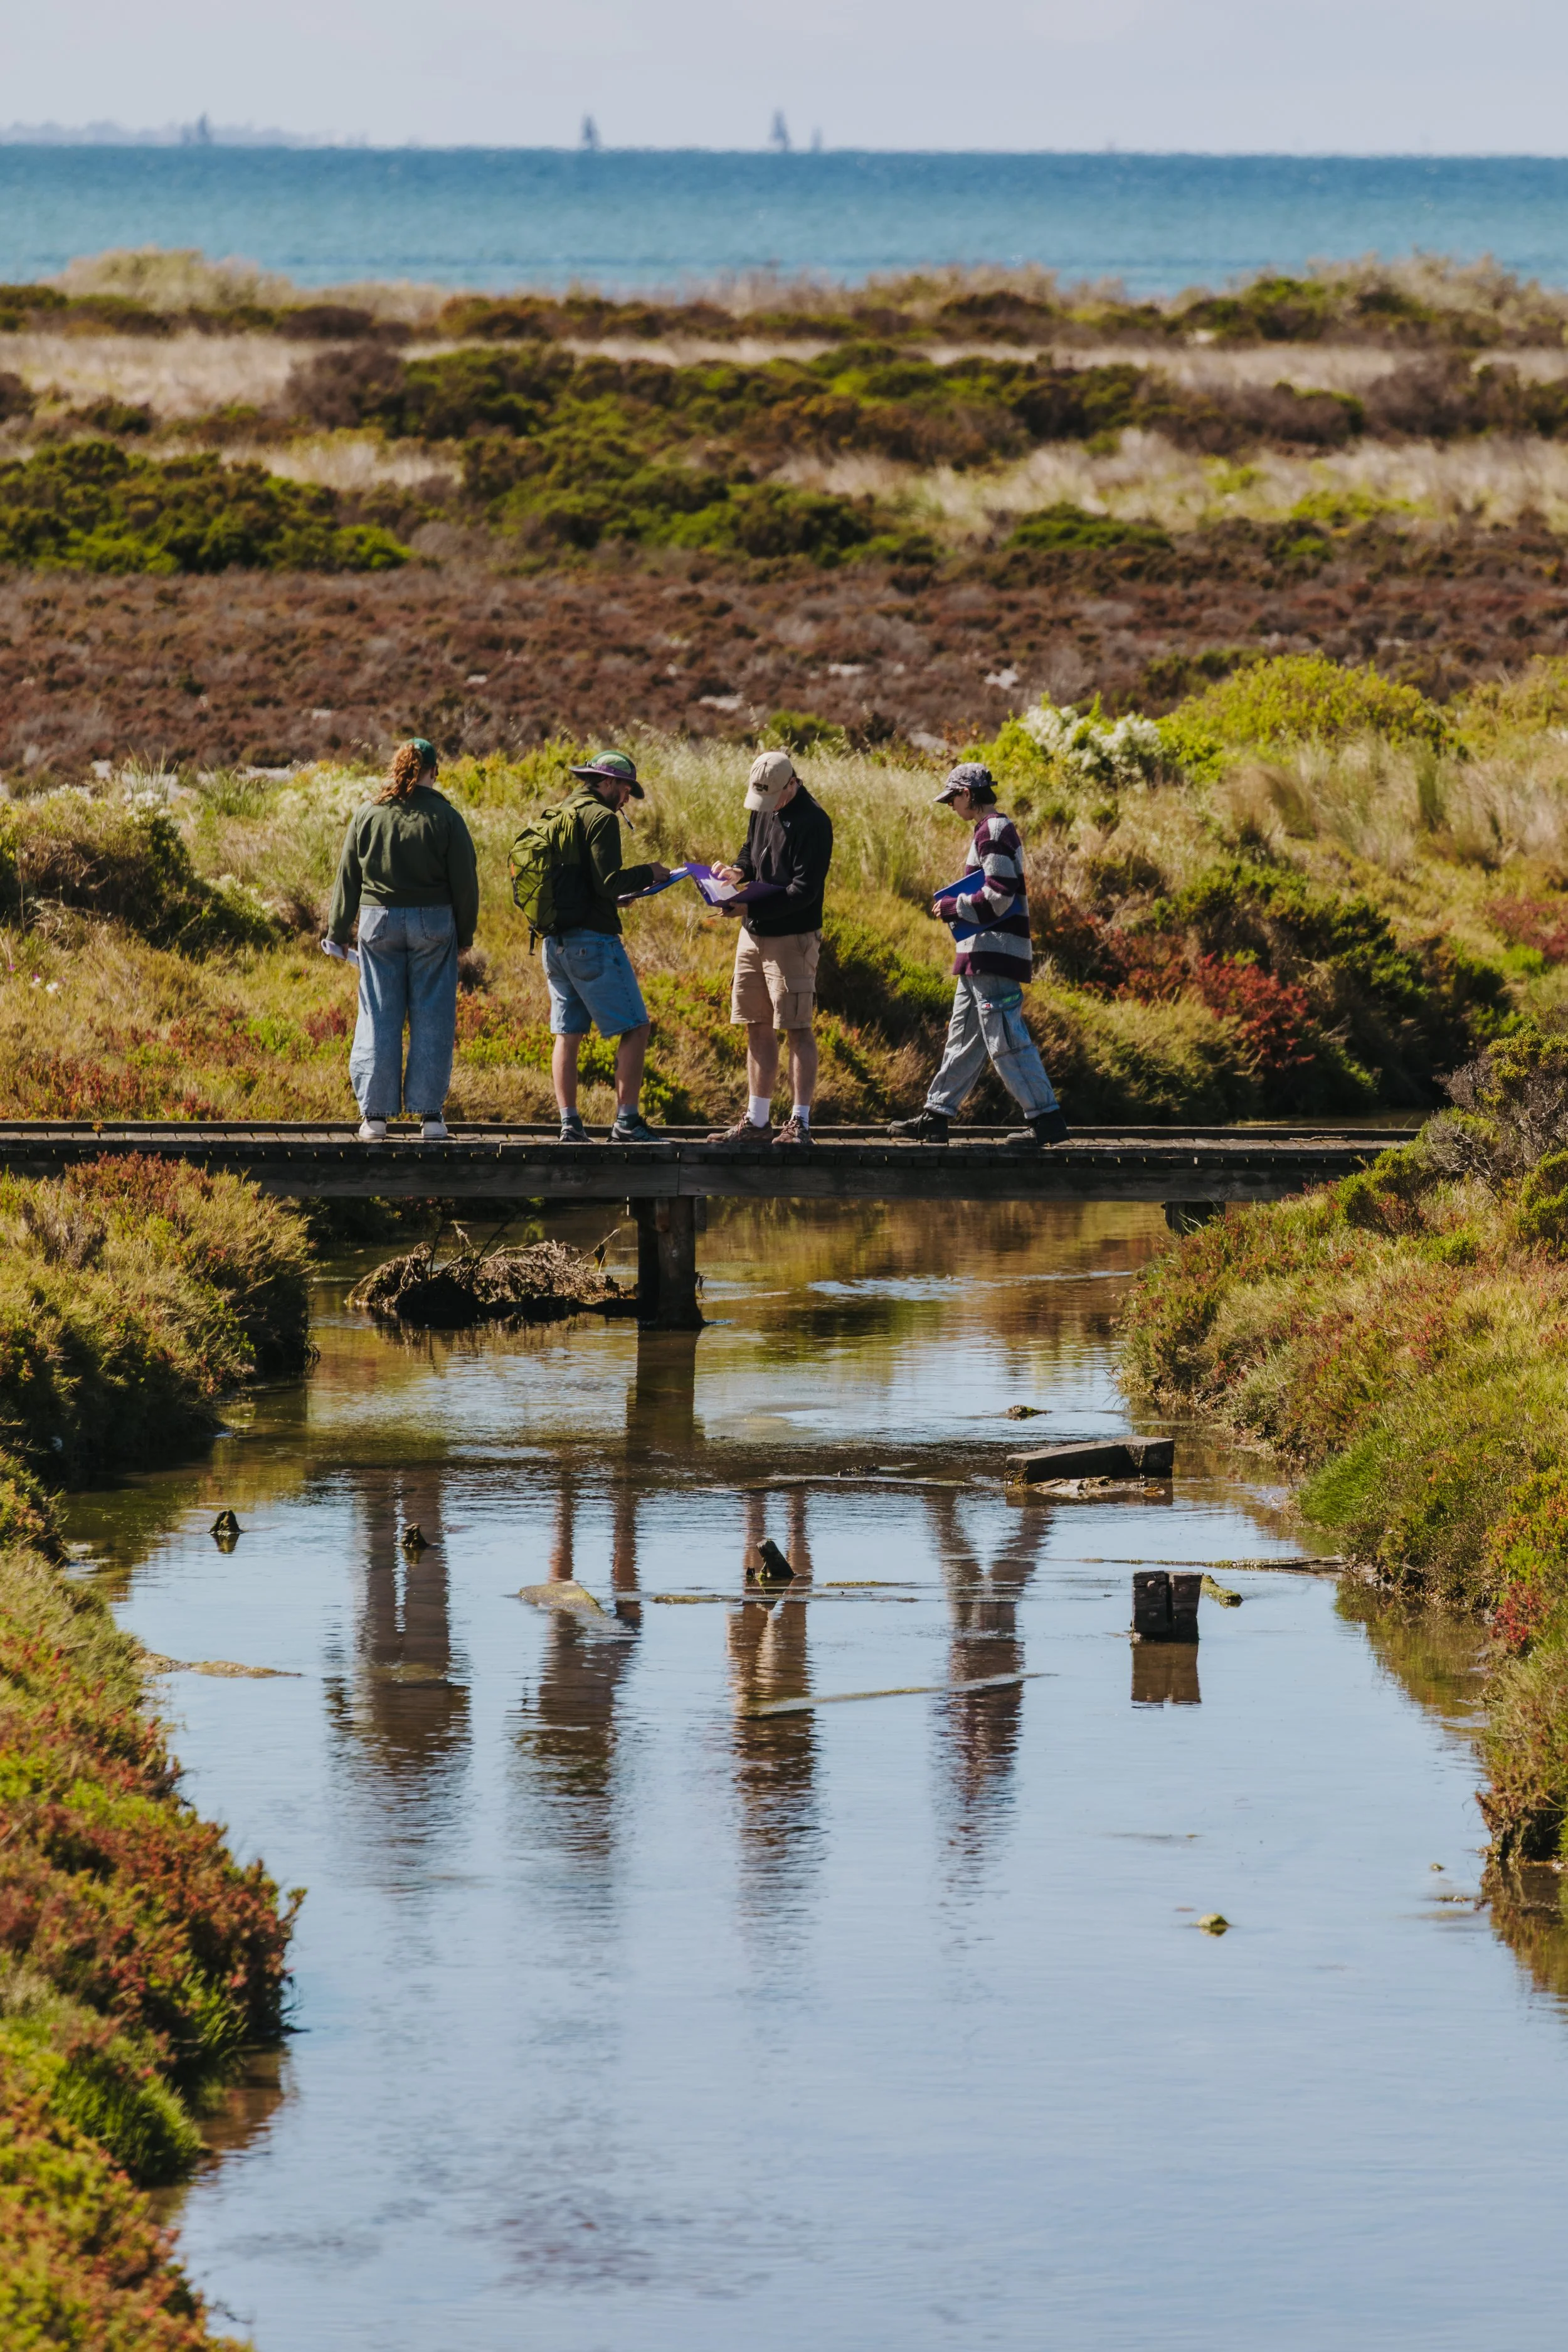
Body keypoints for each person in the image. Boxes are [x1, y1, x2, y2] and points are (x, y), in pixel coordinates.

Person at [889, 761, 1068, 1148]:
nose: (950, 806)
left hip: (993, 954)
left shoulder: (994, 831)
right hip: (980, 956)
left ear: (968, 794)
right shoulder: (989, 830)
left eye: (953, 798)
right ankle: (936, 1117)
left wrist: (955, 907)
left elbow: (999, 896)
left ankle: (1047, 1120)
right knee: (964, 1037)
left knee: (1005, 1037)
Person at [328, 736, 479, 1144]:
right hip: (434, 924)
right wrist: (464, 934)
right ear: (434, 771)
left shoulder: (369, 814)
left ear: (395, 769)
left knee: (378, 1015)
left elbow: (348, 877)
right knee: (432, 1017)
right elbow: (465, 882)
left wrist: (338, 932)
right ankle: (430, 1118)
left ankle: (374, 1119)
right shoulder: (447, 818)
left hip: (378, 924)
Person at [706, 749, 834, 1150]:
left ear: (792, 784)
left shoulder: (815, 823)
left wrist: (748, 904)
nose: (767, 805)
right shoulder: (763, 804)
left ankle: (800, 1123)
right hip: (753, 934)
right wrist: (738, 872)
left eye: (774, 797)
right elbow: (750, 850)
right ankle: (758, 1121)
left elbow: (803, 891)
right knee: (755, 1024)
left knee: (797, 1028)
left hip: (793, 938)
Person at [541, 750, 669, 1144]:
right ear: (610, 782)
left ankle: (570, 1125)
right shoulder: (601, 818)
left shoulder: (563, 811)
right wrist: (652, 873)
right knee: (637, 1026)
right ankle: (627, 1123)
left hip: (555, 941)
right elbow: (610, 880)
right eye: (626, 788)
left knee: (568, 1033)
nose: (627, 798)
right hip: (591, 943)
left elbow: (582, 883)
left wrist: (610, 899)